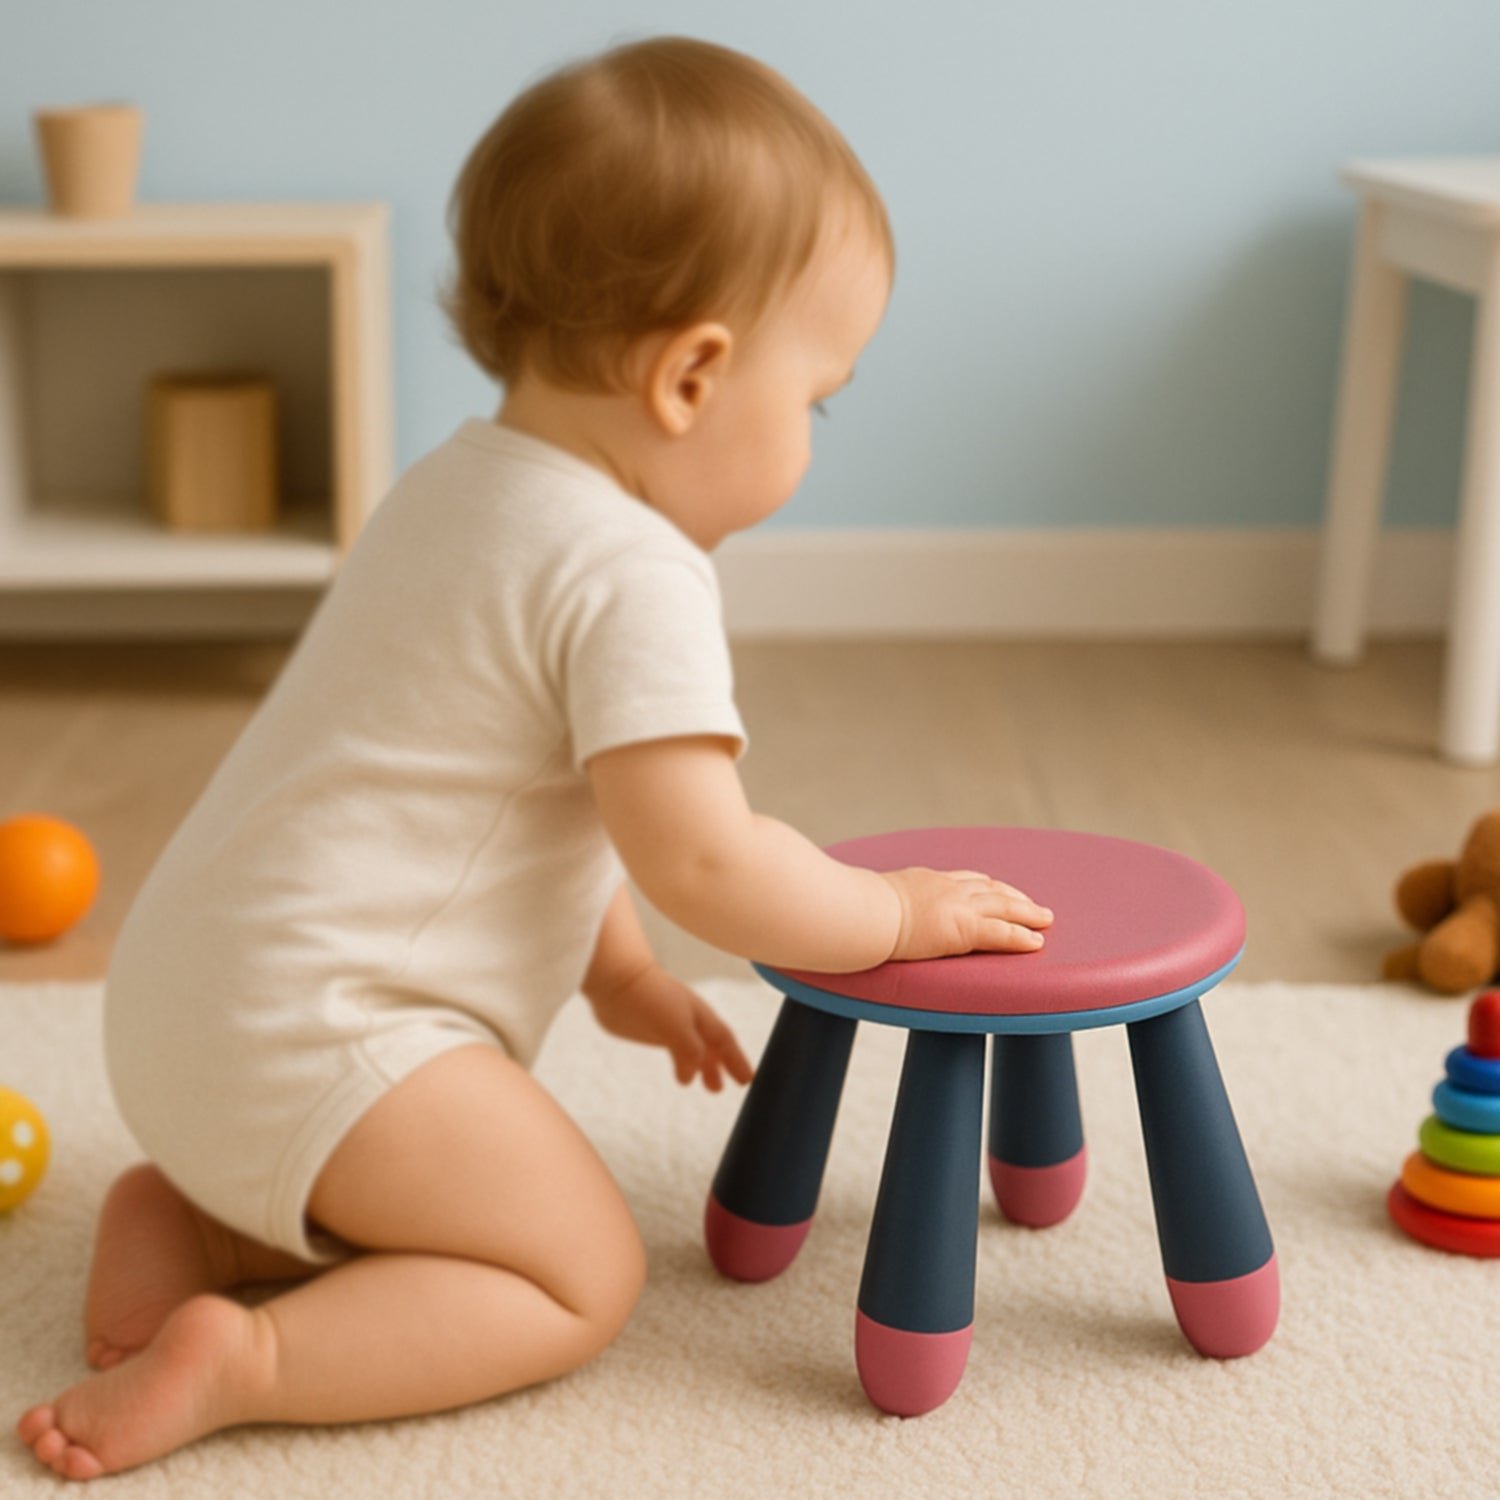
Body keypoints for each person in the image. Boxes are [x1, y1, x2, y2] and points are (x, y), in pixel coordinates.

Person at [16, 34, 1052, 1480]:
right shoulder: (634, 572)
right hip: (324, 1032)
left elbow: (501, 793)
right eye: (815, 399)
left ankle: (195, 1216)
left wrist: (617, 975)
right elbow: (701, 851)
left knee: (408, 1161)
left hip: (189, 1002)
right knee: (578, 1272)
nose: (813, 435)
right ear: (693, 376)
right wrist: (892, 912)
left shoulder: (452, 488)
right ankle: (249, 1356)